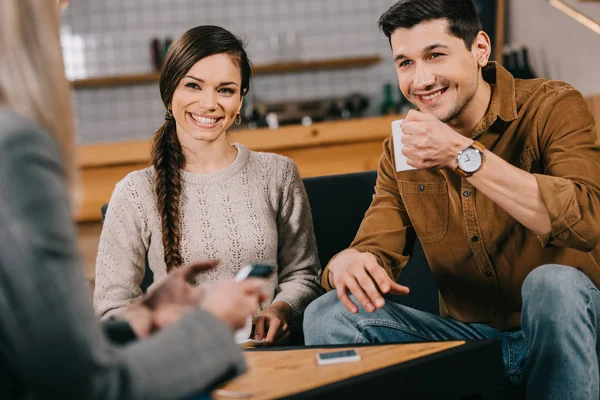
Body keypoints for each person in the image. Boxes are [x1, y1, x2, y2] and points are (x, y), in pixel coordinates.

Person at [303, 0, 600, 398]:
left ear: (480, 49)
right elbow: (375, 248)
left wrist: (462, 155)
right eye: (405, 63)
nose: (421, 80)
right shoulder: (403, 148)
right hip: (472, 342)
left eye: (435, 55)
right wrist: (348, 263)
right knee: (327, 315)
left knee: (553, 284)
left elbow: (585, 219)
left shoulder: (552, 105)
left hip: (567, 327)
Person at [0, 1, 268, 399]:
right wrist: (211, 325)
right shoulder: (17, 149)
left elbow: (38, 354)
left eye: (225, 89)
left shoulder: (275, 173)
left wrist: (142, 318)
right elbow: (85, 386)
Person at [93, 25, 323, 345]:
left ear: (241, 99)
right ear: (170, 92)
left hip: (271, 356)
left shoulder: (279, 174)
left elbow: (305, 274)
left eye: (225, 90)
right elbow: (111, 309)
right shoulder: (134, 192)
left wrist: (282, 308)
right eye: (193, 86)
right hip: (182, 361)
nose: (208, 103)